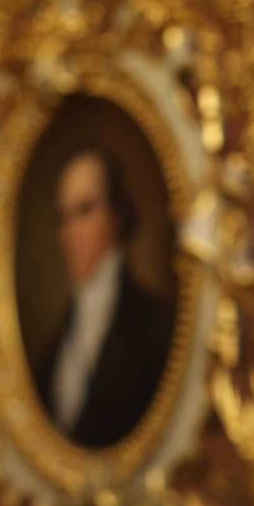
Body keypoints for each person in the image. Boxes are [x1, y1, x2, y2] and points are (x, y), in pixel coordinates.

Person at [35, 147, 172, 448]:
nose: (70, 232)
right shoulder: (54, 345)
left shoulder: (155, 326)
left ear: (116, 215)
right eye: (63, 217)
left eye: (84, 210)